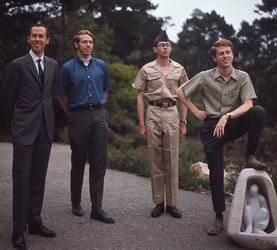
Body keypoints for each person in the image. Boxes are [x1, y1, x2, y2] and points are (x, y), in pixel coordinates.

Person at [176, 39, 267, 235]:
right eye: (221, 54)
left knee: (258, 111)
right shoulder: (204, 76)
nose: (225, 56)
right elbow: (180, 92)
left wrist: (227, 116)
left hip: (231, 122)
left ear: (232, 55)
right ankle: (219, 217)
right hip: (211, 127)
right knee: (216, 174)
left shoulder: (242, 76)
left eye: (228, 52)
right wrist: (196, 112)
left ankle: (250, 157)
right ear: (214, 57)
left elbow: (248, 104)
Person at [2, 23, 58, 250]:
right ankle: (18, 230)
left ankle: (35, 222)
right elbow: (6, 99)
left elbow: (49, 96)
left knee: (38, 179)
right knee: (22, 180)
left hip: (45, 130)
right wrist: (14, 127)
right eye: (34, 36)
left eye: (41, 36)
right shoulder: (17, 65)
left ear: (47, 40)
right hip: (24, 131)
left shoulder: (54, 65)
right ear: (28, 39)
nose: (37, 39)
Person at [58, 30, 114, 224]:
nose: (88, 45)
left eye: (90, 42)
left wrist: (96, 108)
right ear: (77, 45)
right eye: (84, 42)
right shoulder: (67, 68)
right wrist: (74, 115)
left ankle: (97, 208)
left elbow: (105, 90)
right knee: (78, 162)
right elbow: (63, 97)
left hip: (99, 116)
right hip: (78, 116)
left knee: (99, 163)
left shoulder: (101, 65)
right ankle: (76, 203)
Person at [132, 30, 188, 218]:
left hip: (172, 112)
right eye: (162, 45)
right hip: (153, 112)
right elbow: (140, 95)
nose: (165, 47)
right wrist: (141, 123)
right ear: (155, 49)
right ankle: (158, 202)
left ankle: (172, 204)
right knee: (155, 160)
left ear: (170, 48)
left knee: (172, 160)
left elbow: (184, 97)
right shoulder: (147, 69)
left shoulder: (179, 69)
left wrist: (183, 121)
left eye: (168, 44)